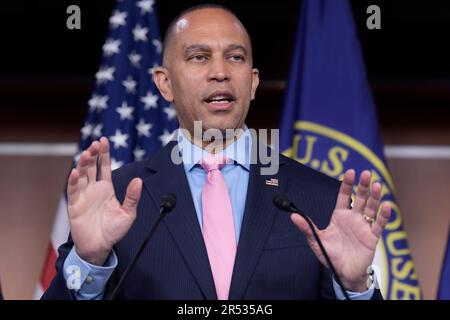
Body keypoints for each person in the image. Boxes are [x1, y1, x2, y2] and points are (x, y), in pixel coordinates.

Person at [42, 4, 391, 300]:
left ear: (252, 83)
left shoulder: (319, 198)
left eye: (235, 57)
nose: (221, 72)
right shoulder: (117, 197)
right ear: (164, 83)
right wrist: (89, 260)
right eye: (199, 57)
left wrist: (355, 287)